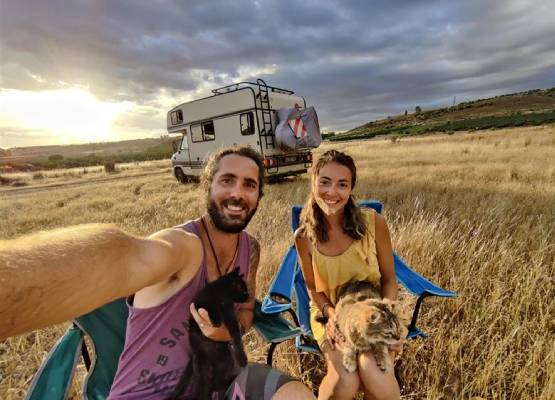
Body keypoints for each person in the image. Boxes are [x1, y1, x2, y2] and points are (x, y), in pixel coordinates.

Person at [0, 146, 315, 400]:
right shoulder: (183, 247)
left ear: (259, 195)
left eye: (250, 185)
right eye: (227, 180)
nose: (237, 193)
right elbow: (125, 257)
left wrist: (225, 333)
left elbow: (245, 310)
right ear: (207, 186)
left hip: (221, 381)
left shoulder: (251, 249)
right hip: (148, 392)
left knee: (298, 395)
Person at [295, 150, 402, 400]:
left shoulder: (374, 223)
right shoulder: (304, 237)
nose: (332, 192)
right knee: (346, 377)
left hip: (374, 309)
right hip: (330, 312)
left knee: (372, 370)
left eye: (342, 184)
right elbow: (313, 289)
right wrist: (331, 316)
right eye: (324, 182)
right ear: (313, 182)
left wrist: (389, 318)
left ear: (351, 188)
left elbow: (388, 279)